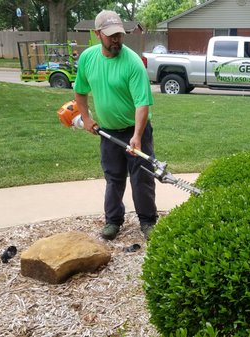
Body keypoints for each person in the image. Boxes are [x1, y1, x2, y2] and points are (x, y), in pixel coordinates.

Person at [73, 10, 157, 240]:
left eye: (119, 35)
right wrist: (87, 119)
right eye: (111, 36)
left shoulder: (133, 63)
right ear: (97, 34)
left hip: (135, 129)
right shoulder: (88, 58)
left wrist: (137, 135)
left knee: (142, 177)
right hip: (108, 131)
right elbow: (80, 93)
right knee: (113, 177)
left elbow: (142, 104)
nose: (116, 39)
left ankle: (148, 221)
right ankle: (113, 221)